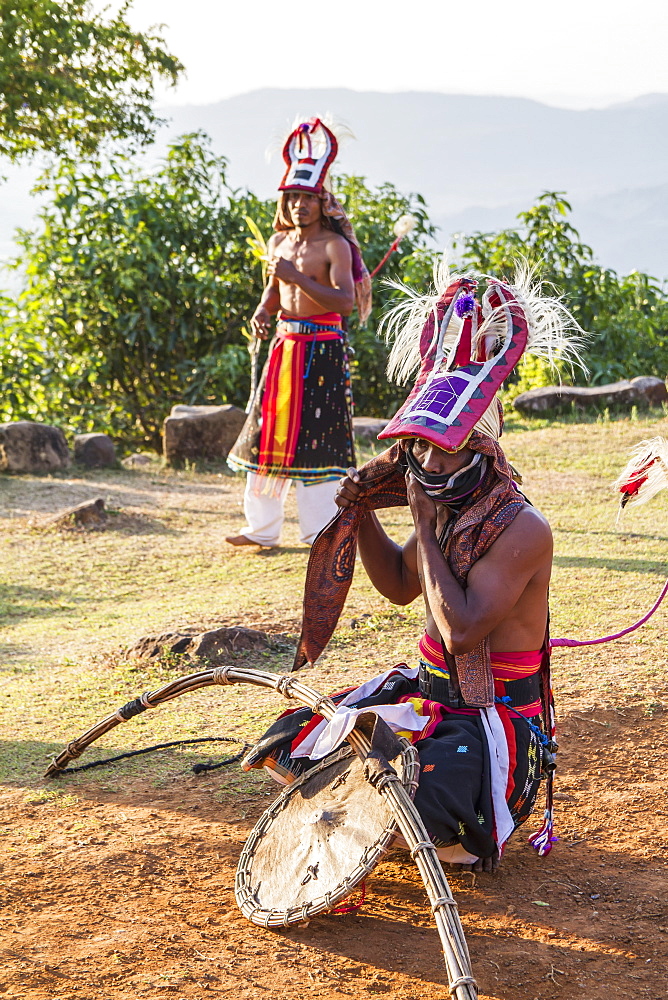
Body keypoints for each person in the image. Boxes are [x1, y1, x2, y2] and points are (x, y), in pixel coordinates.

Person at [243, 263, 584, 870]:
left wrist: (423, 525)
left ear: (479, 447)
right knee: (297, 738)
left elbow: (462, 630)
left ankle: (430, 817)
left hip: (492, 722)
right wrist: (362, 509)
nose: (425, 460)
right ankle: (390, 800)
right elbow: (402, 586)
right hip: (431, 698)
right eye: (417, 446)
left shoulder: (522, 527)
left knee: (418, 802)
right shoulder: (447, 501)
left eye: (440, 447)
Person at [226, 118, 371, 548]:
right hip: (284, 347)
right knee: (265, 433)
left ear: (322, 201)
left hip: (322, 351)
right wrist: (262, 310)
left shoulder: (334, 246)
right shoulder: (278, 243)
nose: (299, 206)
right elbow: (274, 290)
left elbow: (344, 302)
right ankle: (261, 529)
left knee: (320, 438)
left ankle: (319, 532)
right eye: (293, 198)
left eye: (307, 198)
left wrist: (296, 278)